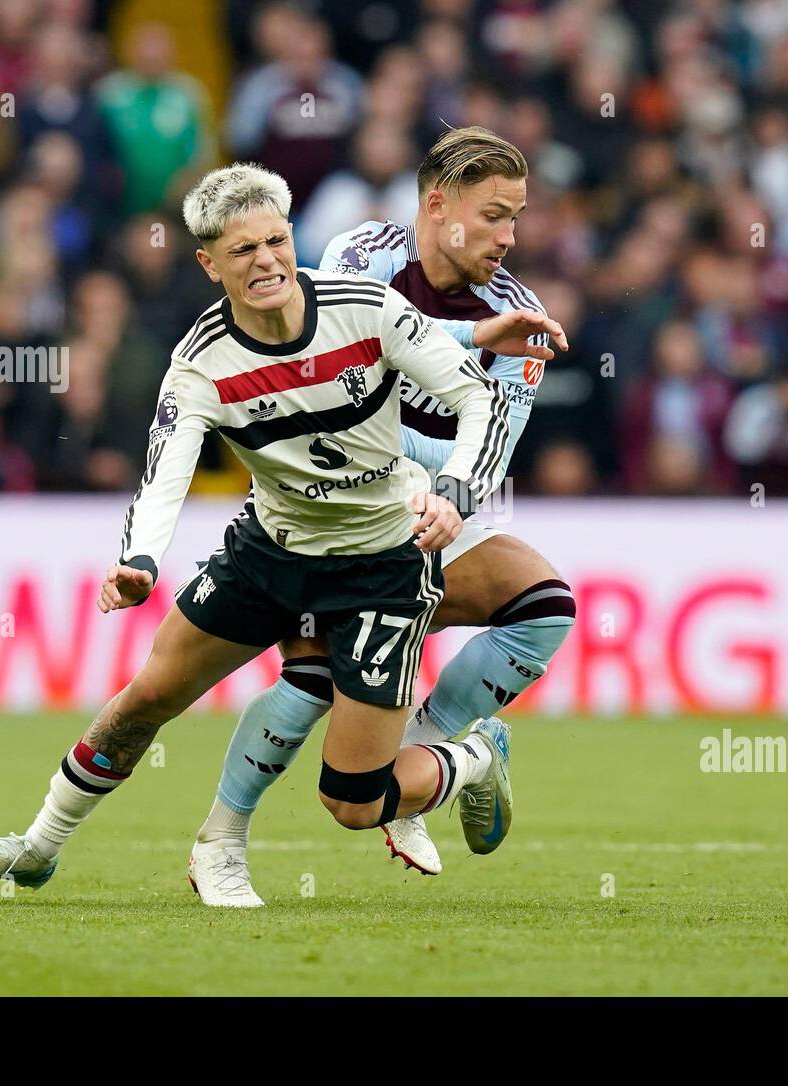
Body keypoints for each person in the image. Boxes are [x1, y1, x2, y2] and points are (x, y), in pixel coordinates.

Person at [0, 161, 512, 894]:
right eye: (243, 251)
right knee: (147, 696)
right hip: (272, 550)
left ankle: (476, 758)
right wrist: (139, 560)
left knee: (353, 801)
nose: (267, 261)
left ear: (292, 236)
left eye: (275, 241)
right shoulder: (199, 363)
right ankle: (37, 847)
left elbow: (476, 396)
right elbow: (164, 473)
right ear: (209, 263)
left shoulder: (364, 308)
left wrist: (457, 490)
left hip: (384, 561)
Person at [195, 126, 577, 906]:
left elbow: (492, 448)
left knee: (545, 607)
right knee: (308, 684)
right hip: (328, 500)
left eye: (517, 217)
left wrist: (443, 489)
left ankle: (431, 745)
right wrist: (442, 383)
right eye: (495, 215)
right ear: (438, 206)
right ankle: (222, 840)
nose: (511, 236)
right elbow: (313, 383)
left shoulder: (522, 318)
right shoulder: (361, 257)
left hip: (436, 505)